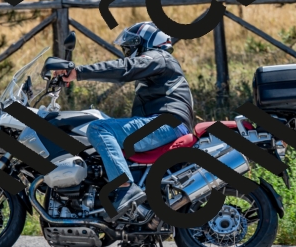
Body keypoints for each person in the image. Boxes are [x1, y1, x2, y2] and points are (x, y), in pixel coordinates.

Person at [55, 21, 195, 220]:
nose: (128, 53)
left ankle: (125, 187)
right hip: (165, 124)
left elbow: (126, 68)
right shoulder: (159, 65)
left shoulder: (159, 57)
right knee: (102, 123)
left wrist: (79, 72)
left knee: (98, 128)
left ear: (146, 43)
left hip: (166, 124)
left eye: (131, 47)